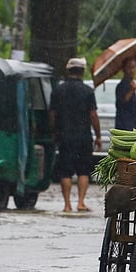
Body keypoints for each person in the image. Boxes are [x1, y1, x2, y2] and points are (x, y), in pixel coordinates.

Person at [49, 57, 101, 212]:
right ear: (82, 72)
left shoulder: (58, 90)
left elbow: (52, 114)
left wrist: (54, 132)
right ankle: (81, 202)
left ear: (68, 71)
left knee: (65, 171)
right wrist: (98, 135)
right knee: (83, 170)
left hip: (64, 136)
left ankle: (66, 205)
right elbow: (93, 115)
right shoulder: (87, 91)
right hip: (83, 137)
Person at [114, 58, 136, 131]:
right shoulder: (121, 86)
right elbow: (121, 103)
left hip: (133, 126)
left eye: (133, 67)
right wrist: (131, 90)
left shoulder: (131, 84)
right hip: (124, 128)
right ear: (123, 69)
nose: (132, 71)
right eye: (129, 68)